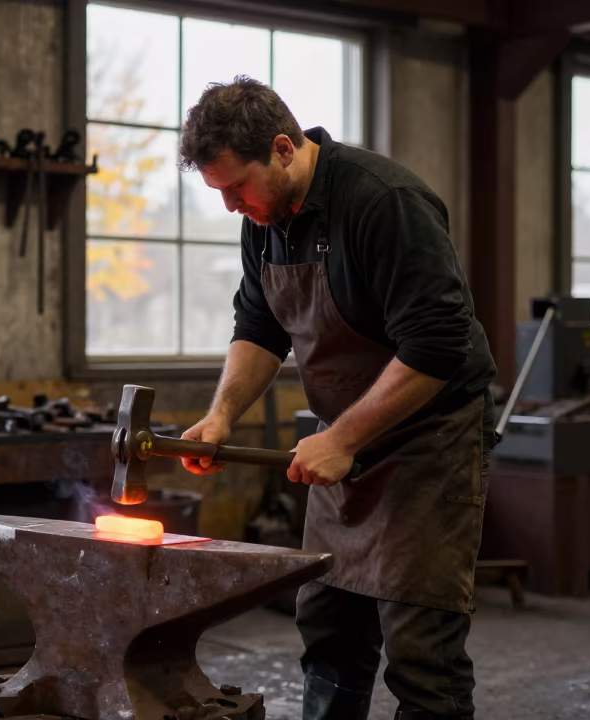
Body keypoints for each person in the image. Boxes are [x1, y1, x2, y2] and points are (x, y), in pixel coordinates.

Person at [176, 76, 498, 720]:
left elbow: (437, 345)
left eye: (237, 188)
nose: (231, 206)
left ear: (283, 148)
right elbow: (260, 327)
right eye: (219, 193)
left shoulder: (386, 202)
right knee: (328, 628)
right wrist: (220, 416)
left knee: (421, 647)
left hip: (429, 443)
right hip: (341, 444)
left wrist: (343, 438)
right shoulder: (263, 221)